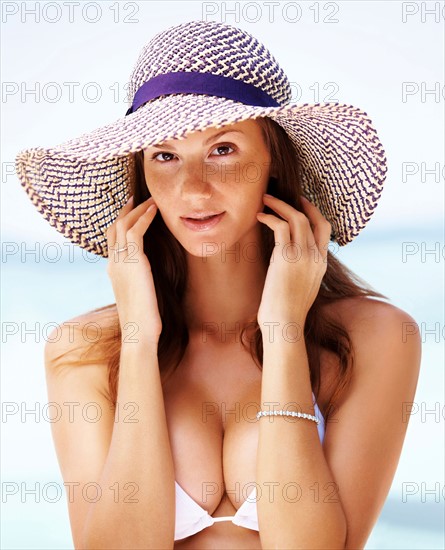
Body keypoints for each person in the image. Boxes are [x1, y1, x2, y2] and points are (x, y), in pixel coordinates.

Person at [16, 20, 421, 549]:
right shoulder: (87, 352)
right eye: (164, 156)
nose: (192, 188)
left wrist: (282, 332)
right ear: (142, 176)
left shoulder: (378, 337)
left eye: (223, 149)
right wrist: (139, 338)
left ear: (273, 159)